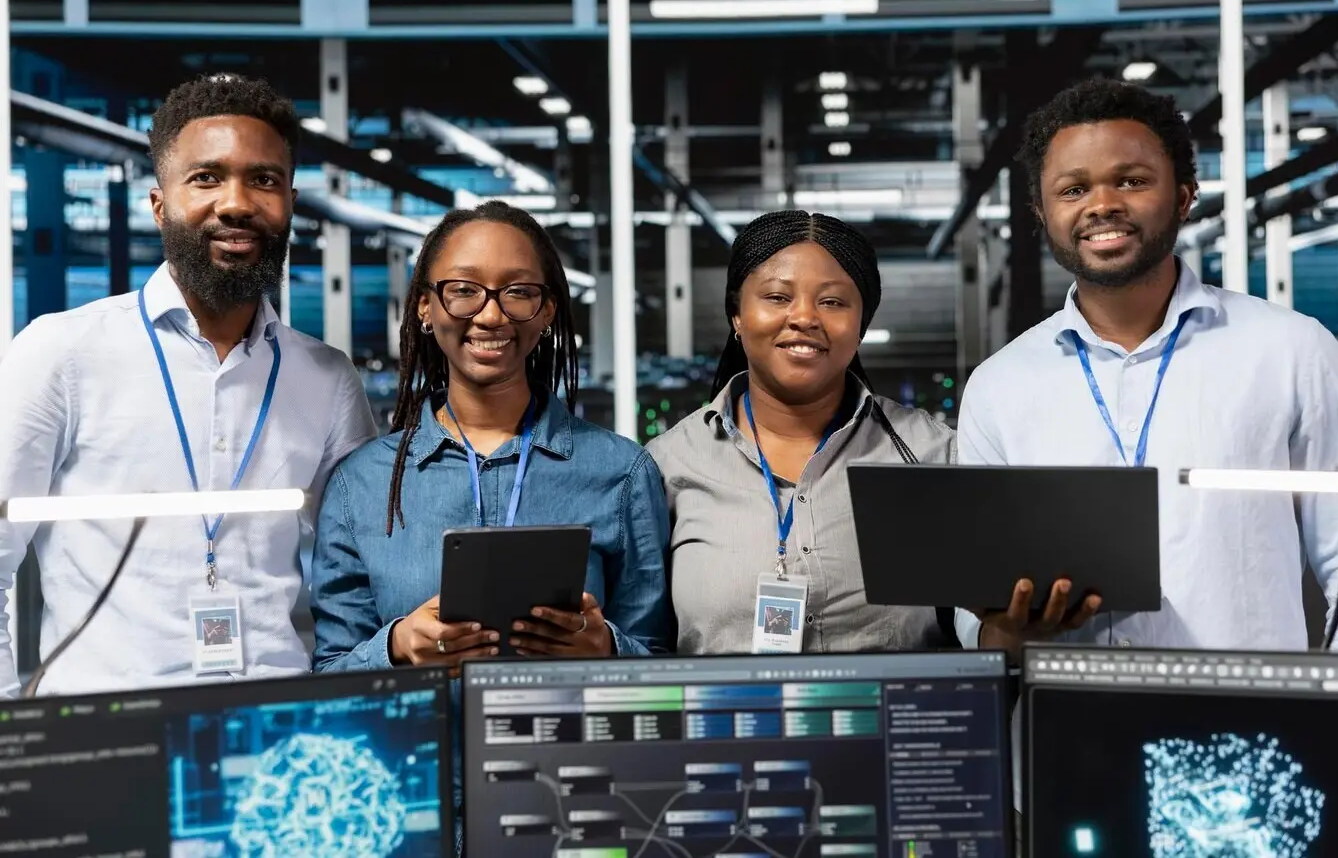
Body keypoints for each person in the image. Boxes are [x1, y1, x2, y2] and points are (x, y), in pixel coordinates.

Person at [955, 77, 1338, 656]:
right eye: (1073, 189)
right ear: (1042, 212)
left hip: (1243, 721)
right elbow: (973, 599)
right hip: (1070, 724)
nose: (1101, 204)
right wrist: (1005, 629)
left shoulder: (1291, 352)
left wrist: (1332, 712)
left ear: (1183, 196)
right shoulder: (1000, 386)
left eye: (1131, 181)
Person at [0, 74, 377, 698]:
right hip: (110, 734)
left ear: (289, 201)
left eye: (264, 180)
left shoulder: (327, 379)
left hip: (278, 728)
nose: (236, 203)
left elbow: (360, 574)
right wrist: (14, 731)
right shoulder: (63, 353)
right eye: (206, 178)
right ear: (159, 205)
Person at [310, 199, 670, 668]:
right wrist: (395, 648)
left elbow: (660, 660)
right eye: (464, 289)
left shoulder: (621, 473)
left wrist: (606, 648)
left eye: (518, 291)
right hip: (426, 740)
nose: (490, 315)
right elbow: (330, 671)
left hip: (563, 739)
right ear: (424, 305)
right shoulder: (361, 484)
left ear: (546, 312)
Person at [647, 210, 956, 655]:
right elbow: (645, 644)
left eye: (832, 302)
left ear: (861, 322)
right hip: (728, 722)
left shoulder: (931, 454)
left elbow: (974, 628)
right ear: (737, 314)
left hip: (891, 721)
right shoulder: (667, 465)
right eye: (776, 297)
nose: (804, 317)